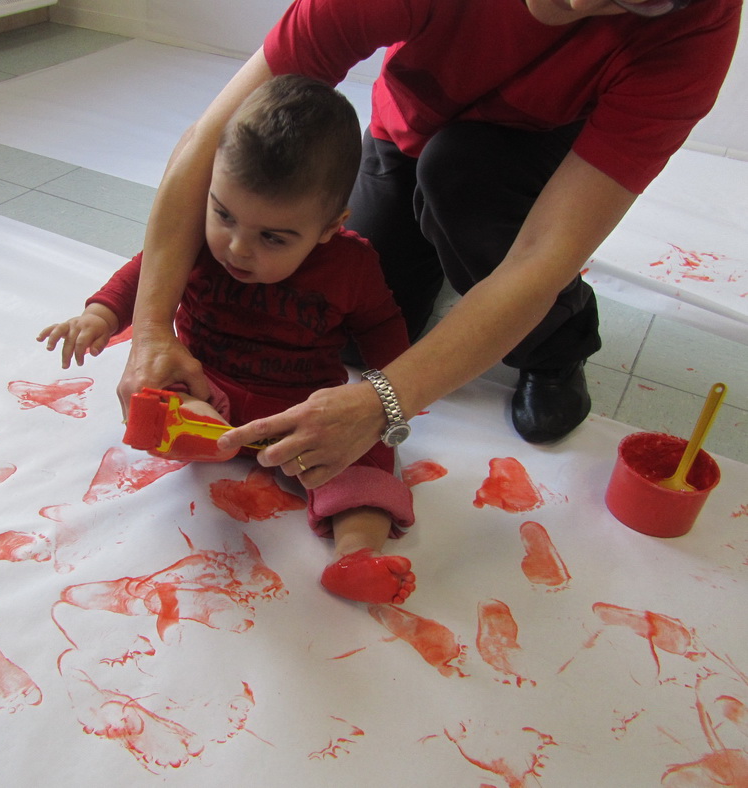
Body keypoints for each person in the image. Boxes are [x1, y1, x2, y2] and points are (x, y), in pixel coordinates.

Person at [117, 0, 741, 489]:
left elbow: (542, 256)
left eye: (630, 0)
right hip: (409, 126)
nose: (576, 5)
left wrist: (386, 402)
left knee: (460, 178)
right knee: (362, 329)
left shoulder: (694, 30)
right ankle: (448, 238)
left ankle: (557, 345)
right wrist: (149, 330)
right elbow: (213, 136)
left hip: (527, 150)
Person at [40, 75, 418, 605]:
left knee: (367, 460)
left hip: (301, 416)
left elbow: (381, 326)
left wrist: (386, 394)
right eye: (223, 214)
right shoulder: (194, 237)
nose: (236, 248)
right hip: (206, 390)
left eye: (272, 237)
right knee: (157, 397)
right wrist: (101, 313)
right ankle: (198, 436)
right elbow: (146, 271)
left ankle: (356, 555)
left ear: (330, 227)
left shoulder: (351, 266)